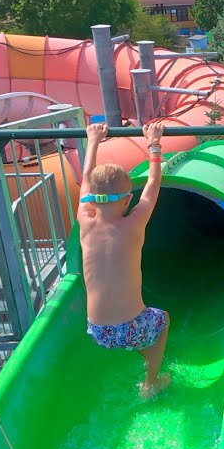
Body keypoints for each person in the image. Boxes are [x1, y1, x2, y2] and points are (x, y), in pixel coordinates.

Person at [78, 121, 172, 399]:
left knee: (139, 332)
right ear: (128, 199)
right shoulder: (134, 223)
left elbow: (85, 178)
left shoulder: (85, 220)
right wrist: (153, 142)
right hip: (131, 327)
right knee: (162, 320)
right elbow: (154, 182)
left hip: (97, 331)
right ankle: (151, 381)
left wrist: (92, 139)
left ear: (92, 199)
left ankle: (141, 352)